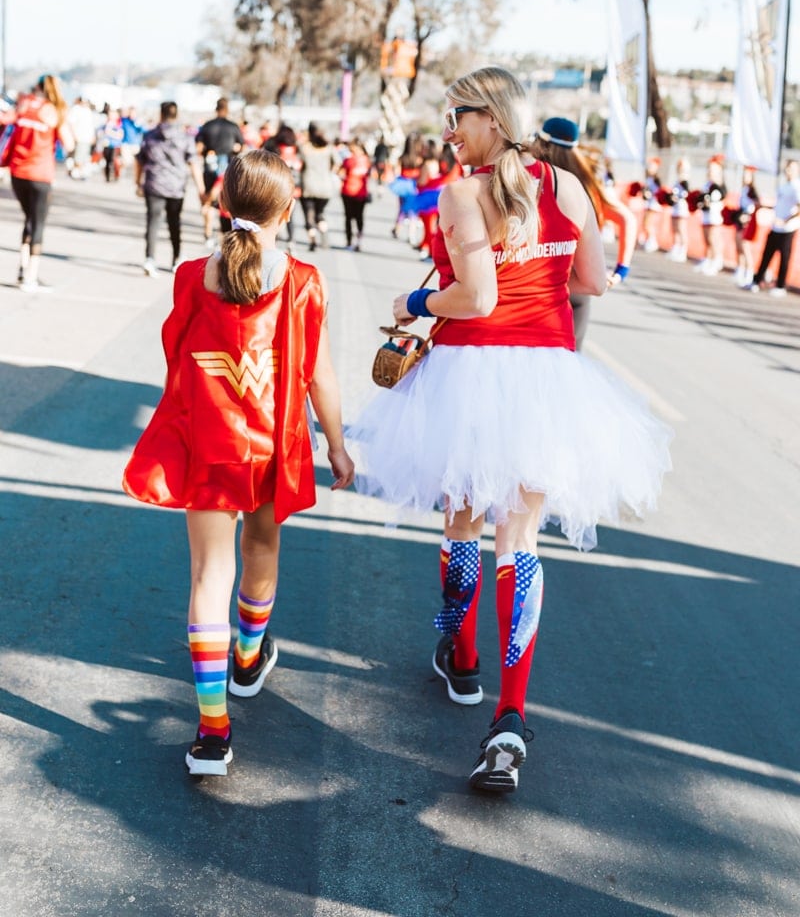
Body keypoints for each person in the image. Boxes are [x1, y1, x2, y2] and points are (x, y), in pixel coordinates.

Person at [350, 67, 671, 794]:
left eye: (457, 115)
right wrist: (541, 262)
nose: (449, 130)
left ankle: (461, 658)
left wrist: (411, 297)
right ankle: (510, 716)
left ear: (493, 118)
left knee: (461, 521)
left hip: (471, 372)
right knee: (517, 539)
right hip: (546, 376)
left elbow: (475, 296)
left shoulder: (463, 192)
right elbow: (592, 278)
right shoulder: (567, 187)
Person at [122, 149, 355, 776]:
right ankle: (249, 659)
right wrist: (335, 444)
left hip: (209, 445)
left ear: (223, 204)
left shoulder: (191, 274)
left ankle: (212, 732)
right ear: (287, 208)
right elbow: (320, 375)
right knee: (262, 553)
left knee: (207, 577)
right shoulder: (305, 279)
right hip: (273, 446)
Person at [530, 117, 609, 351]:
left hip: (537, 288)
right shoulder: (587, 184)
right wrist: (622, 269)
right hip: (578, 287)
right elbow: (626, 219)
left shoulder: (531, 180)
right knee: (566, 370)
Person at [2, 75, 75, 291]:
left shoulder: (23, 105)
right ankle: (30, 277)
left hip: (17, 172)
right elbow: (69, 143)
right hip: (40, 174)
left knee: (29, 219)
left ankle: (23, 270)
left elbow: (5, 122)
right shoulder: (53, 111)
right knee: (38, 223)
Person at [135, 101, 204, 276]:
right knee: (174, 222)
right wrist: (200, 188)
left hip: (154, 184)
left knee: (153, 222)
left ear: (161, 114)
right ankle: (176, 258)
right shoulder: (185, 138)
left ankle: (150, 259)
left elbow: (140, 160)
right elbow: (193, 163)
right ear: (176, 115)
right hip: (176, 186)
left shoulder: (149, 136)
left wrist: (138, 182)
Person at [748, 159, 800, 296]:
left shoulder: (796, 186)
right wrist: (764, 207)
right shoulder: (784, 186)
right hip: (775, 227)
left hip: (788, 229)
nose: (789, 171)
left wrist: (786, 220)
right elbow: (779, 206)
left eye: (792, 168)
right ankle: (757, 281)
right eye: (788, 168)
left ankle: (780, 286)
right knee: (766, 255)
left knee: (784, 258)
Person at [196, 99, 243, 248]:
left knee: (208, 203)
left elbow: (198, 147)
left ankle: (208, 235)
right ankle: (225, 237)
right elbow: (240, 146)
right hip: (227, 171)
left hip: (209, 167)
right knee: (225, 204)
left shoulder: (207, 126)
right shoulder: (233, 127)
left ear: (215, 108)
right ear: (227, 109)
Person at [299, 122, 338, 250]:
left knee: (309, 215)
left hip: (308, 186)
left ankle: (313, 241)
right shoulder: (329, 147)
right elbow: (338, 162)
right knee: (320, 213)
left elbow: (299, 164)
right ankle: (323, 232)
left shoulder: (304, 148)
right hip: (325, 186)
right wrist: (329, 171)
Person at [693, 155, 727, 275]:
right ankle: (708, 259)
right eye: (710, 169)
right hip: (706, 215)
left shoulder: (719, 185)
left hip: (715, 217)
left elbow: (721, 197)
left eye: (714, 169)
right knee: (707, 239)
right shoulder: (707, 185)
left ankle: (716, 261)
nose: (711, 172)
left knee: (714, 239)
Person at [728, 165, 761, 288]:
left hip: (746, 222)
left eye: (748, 175)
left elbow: (757, 204)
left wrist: (748, 215)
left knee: (746, 248)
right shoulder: (744, 189)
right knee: (739, 247)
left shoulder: (752, 191)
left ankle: (749, 273)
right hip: (739, 221)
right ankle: (740, 270)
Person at [339, 138, 371, 251]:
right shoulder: (366, 160)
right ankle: (355, 241)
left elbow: (340, 173)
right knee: (357, 217)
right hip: (354, 192)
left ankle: (352, 242)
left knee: (351, 217)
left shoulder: (349, 160)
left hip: (352, 192)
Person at [666, 158, 692, 262]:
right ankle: (676, 247)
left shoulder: (685, 182)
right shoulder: (677, 181)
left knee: (681, 230)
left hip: (682, 209)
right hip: (675, 209)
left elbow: (687, 194)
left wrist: (679, 197)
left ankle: (683, 250)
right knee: (675, 229)